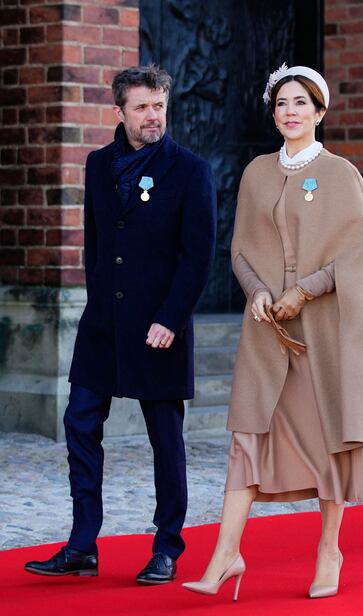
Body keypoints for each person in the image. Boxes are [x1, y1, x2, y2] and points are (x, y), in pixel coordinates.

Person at [182, 63, 363, 601]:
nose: (289, 112)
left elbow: (356, 255)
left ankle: (329, 550)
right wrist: (256, 291)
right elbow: (241, 250)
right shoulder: (255, 173)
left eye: (300, 103)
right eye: (281, 104)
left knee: (328, 438)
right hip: (267, 329)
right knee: (246, 436)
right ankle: (227, 555)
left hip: (321, 327)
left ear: (319, 111)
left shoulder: (342, 175)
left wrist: (306, 291)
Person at [24, 65, 217, 584]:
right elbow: (95, 245)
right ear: (120, 112)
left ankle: (167, 547)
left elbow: (197, 257)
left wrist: (171, 319)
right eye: (142, 107)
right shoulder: (97, 164)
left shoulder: (191, 171)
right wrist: (97, 306)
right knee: (80, 425)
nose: (153, 116)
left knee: (165, 439)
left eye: (159, 106)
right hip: (103, 326)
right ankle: (83, 544)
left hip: (160, 328)